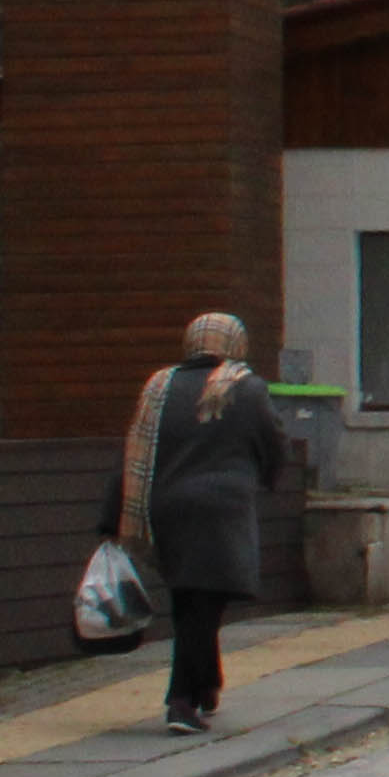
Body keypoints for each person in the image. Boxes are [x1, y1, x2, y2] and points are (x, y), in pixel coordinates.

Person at [119, 310, 290, 736]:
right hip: (221, 511)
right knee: (205, 604)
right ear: (235, 344)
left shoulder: (161, 386)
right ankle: (180, 702)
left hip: (168, 508)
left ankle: (207, 684)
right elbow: (274, 443)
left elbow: (139, 447)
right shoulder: (246, 388)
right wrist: (269, 479)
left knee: (190, 601)